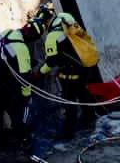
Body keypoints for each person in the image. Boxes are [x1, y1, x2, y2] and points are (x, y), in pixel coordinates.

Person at [0, 21, 44, 144]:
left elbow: (4, 57)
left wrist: (28, 61)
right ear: (32, 36)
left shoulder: (7, 33)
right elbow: (25, 79)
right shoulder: (22, 49)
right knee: (16, 111)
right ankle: (23, 142)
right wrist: (26, 97)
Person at [34, 16, 97, 148]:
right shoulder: (68, 26)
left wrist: (39, 72)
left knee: (69, 101)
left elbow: (51, 61)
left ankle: (68, 133)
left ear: (47, 22)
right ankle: (90, 120)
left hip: (70, 74)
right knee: (83, 94)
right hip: (84, 69)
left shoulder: (52, 36)